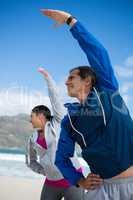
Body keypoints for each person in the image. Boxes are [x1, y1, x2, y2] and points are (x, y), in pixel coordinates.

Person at [41, 9, 133, 199]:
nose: (66, 82)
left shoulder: (107, 91)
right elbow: (61, 159)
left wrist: (70, 21)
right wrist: (79, 180)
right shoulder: (70, 121)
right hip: (101, 191)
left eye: (71, 77)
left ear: (87, 81)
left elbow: (97, 52)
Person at [26, 67, 102, 200]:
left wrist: (48, 79)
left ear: (41, 117)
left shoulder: (59, 122)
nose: (29, 120)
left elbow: (55, 99)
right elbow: (30, 161)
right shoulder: (32, 138)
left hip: (73, 180)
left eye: (32, 116)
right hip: (50, 184)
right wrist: (45, 171)